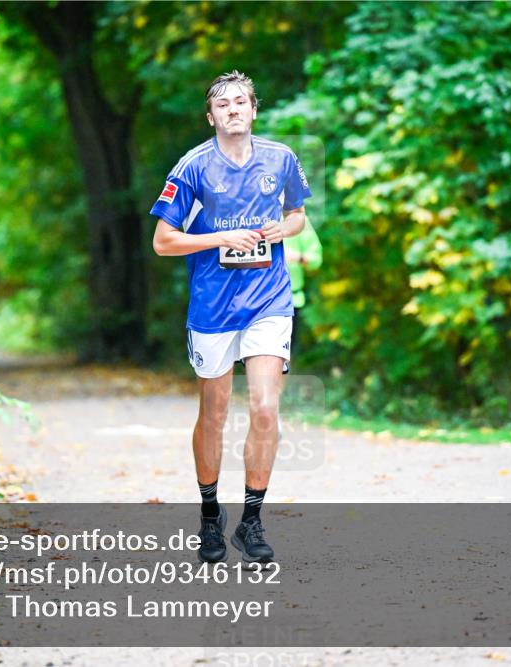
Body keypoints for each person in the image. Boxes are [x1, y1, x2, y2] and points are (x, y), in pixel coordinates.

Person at [150, 71, 311, 564]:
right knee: (214, 414)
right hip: (213, 307)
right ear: (211, 116)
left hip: (268, 299)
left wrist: (279, 230)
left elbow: (298, 215)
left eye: (241, 102)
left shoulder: (280, 158)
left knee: (264, 407)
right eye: (224, 105)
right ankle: (208, 516)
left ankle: (253, 522)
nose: (233, 110)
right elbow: (163, 242)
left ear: (254, 111)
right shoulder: (192, 167)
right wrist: (220, 238)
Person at [283, 220, 323, 352]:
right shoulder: (251, 214)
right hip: (256, 298)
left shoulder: (298, 219)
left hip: (290, 300)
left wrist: (297, 257)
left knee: (284, 353)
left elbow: (316, 259)